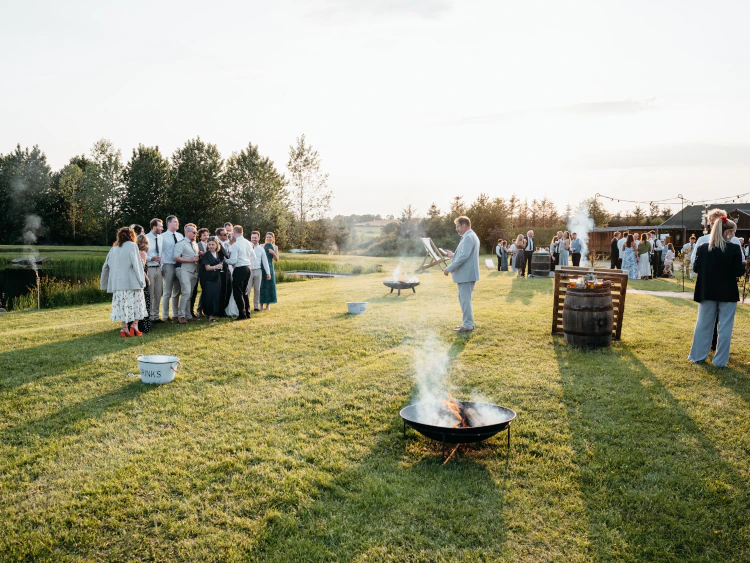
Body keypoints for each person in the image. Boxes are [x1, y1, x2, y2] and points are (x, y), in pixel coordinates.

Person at [688, 217, 744, 367]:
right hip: (728, 293)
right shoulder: (733, 249)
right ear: (727, 232)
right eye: (732, 233)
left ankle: (697, 355)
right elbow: (739, 271)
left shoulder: (702, 248)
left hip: (707, 291)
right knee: (725, 327)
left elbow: (695, 268)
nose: (733, 236)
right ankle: (720, 361)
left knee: (703, 324)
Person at [100, 227, 147, 338]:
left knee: (123, 305)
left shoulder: (114, 248)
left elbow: (106, 266)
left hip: (118, 284)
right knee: (136, 304)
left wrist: (105, 283)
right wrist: (142, 281)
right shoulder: (132, 246)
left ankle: (124, 327)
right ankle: (134, 326)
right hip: (132, 282)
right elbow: (137, 265)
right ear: (132, 235)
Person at [443, 216, 480, 332]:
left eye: (457, 226)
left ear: (463, 226)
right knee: (464, 300)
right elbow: (464, 254)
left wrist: (449, 268)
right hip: (466, 275)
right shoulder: (469, 236)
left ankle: (468, 325)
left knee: (465, 300)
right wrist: (453, 255)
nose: (456, 229)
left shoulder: (468, 237)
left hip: (466, 275)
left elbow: (464, 256)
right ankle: (467, 323)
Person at [173, 223, 201, 324]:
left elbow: (195, 256)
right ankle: (181, 316)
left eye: (196, 232)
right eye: (194, 232)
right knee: (186, 292)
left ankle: (188, 315)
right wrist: (191, 259)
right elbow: (176, 257)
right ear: (187, 232)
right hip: (183, 270)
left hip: (194, 271)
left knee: (190, 293)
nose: (195, 234)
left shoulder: (195, 244)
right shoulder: (181, 243)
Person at [225, 225, 254, 319]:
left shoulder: (235, 245)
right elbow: (254, 256)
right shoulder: (249, 243)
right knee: (244, 291)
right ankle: (247, 313)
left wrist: (225, 260)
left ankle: (242, 314)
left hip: (240, 268)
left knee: (237, 292)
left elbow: (233, 260)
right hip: (248, 267)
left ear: (234, 233)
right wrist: (247, 261)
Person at [160, 215, 183, 321]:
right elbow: (160, 253)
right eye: (175, 222)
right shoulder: (162, 237)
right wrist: (161, 269)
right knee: (167, 292)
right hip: (168, 265)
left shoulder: (180, 236)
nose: (177, 223)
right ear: (169, 223)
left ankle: (175, 314)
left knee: (177, 291)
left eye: (177, 222)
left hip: (179, 265)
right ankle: (165, 315)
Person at [199, 238, 224, 321]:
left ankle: (213, 313)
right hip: (208, 279)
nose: (211, 246)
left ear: (216, 245)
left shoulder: (217, 254)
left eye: (213, 244)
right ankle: (210, 315)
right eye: (209, 244)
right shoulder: (207, 254)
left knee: (216, 296)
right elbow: (207, 267)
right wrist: (216, 267)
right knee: (209, 296)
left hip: (217, 278)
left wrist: (219, 266)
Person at [145, 218, 164, 323]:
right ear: (153, 227)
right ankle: (150, 316)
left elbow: (162, 253)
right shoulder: (146, 238)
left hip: (159, 268)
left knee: (158, 293)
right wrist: (151, 258)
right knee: (150, 292)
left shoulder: (161, 238)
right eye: (160, 226)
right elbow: (142, 254)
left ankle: (156, 316)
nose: (162, 228)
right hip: (150, 268)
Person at [248, 231, 271, 312]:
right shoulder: (247, 247)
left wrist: (268, 273)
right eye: (252, 237)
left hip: (258, 271)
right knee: (247, 290)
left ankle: (256, 306)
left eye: (255, 237)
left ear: (258, 238)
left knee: (257, 290)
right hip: (249, 271)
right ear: (250, 238)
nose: (254, 239)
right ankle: (246, 306)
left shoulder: (261, 249)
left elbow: (265, 261)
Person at [192, 228, 210, 317]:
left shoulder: (210, 244)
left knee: (206, 290)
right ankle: (197, 310)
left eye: (207, 235)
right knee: (197, 290)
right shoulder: (197, 245)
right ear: (200, 236)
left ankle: (204, 309)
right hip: (200, 269)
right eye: (204, 235)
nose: (206, 237)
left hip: (209, 270)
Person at [136, 234, 152, 334]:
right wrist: (148, 279)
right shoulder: (142, 253)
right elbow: (142, 269)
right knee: (145, 302)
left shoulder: (134, 252)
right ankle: (144, 326)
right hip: (142, 280)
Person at [215, 227, 233, 316]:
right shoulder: (217, 244)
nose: (227, 236)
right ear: (219, 236)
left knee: (229, 289)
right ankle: (221, 311)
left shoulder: (226, 244)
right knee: (223, 291)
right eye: (225, 234)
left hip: (227, 269)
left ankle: (223, 309)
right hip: (221, 271)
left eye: (227, 234)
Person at [260, 232, 279, 310]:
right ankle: (260, 304)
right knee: (261, 285)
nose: (268, 238)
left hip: (270, 266)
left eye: (270, 237)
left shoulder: (275, 247)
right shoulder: (261, 246)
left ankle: (268, 304)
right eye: (267, 237)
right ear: (265, 238)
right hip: (261, 267)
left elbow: (277, 259)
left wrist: (273, 253)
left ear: (273, 238)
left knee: (269, 285)